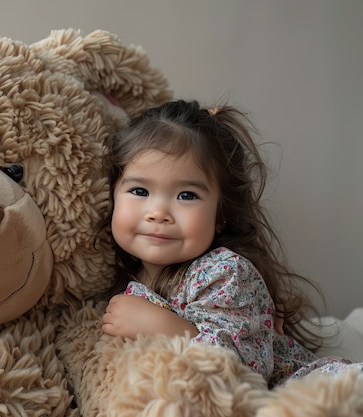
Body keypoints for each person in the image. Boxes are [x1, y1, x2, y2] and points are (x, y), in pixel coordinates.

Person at [98, 99, 359, 387]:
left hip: (292, 387)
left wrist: (165, 328)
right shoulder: (110, 271)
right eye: (139, 190)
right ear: (111, 196)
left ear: (220, 215)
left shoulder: (226, 272)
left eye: (186, 195)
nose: (158, 212)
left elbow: (246, 370)